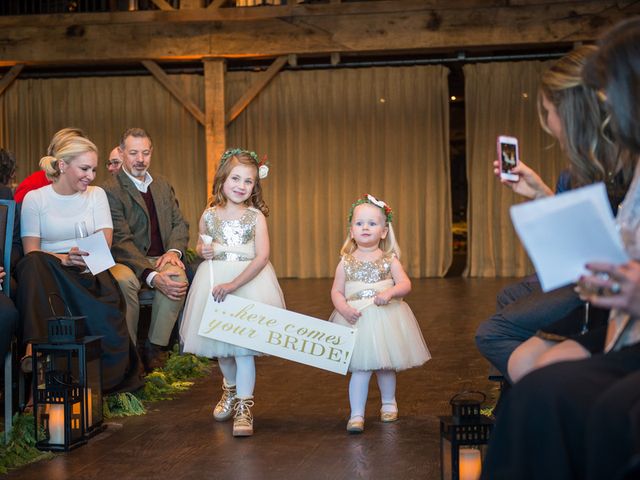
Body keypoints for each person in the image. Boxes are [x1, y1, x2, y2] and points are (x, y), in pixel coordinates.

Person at [481, 17, 640, 480]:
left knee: (506, 346)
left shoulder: (608, 167)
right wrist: (543, 198)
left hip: (611, 315)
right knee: (531, 377)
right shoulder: (621, 166)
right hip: (615, 316)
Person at [475, 45, 633, 383]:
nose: (547, 123)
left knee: (493, 333)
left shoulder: (619, 173)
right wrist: (539, 193)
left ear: (573, 114)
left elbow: (592, 253)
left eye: (548, 111)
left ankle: (534, 395)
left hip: (605, 297)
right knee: (511, 301)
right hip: (601, 291)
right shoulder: (593, 171)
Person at [16, 129, 143, 394]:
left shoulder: (96, 195)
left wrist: (79, 260)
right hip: (47, 271)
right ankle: (35, 351)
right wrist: (64, 258)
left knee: (105, 304)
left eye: (94, 170)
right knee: (33, 265)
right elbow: (31, 250)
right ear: (62, 165)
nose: (91, 176)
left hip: (88, 267)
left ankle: (95, 381)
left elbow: (103, 243)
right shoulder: (35, 199)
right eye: (84, 168)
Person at [180, 148, 285, 437]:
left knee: (243, 349)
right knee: (222, 351)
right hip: (214, 284)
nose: (241, 186)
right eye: (235, 178)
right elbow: (202, 248)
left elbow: (262, 257)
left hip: (247, 284)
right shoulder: (209, 215)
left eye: (248, 181)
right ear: (222, 180)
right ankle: (230, 389)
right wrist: (204, 250)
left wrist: (234, 285)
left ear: (255, 186)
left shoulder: (255, 217)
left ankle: (244, 406)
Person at [329, 194, 430, 433]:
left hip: (385, 318)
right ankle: (356, 414)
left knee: (386, 365)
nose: (365, 227)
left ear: (384, 232)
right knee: (361, 369)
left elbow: (405, 284)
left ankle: (389, 404)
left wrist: (391, 292)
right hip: (357, 318)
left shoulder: (389, 260)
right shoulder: (345, 262)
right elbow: (336, 290)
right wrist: (343, 308)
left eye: (372, 224)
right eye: (359, 223)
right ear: (351, 230)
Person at [103, 128, 189, 371]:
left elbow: (179, 223)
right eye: (133, 153)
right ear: (121, 153)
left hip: (161, 257)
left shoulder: (162, 184)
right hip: (124, 259)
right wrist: (151, 276)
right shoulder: (109, 190)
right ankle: (128, 353)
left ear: (151, 153)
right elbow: (120, 240)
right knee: (125, 282)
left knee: (177, 277)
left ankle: (154, 347)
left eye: (145, 153)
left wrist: (173, 251)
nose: (140, 159)